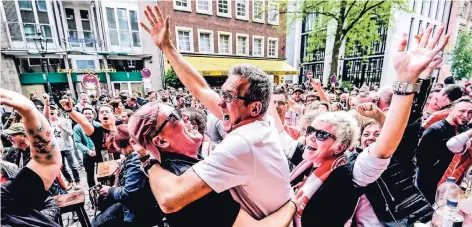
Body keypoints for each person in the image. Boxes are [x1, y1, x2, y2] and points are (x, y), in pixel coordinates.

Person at [278, 25, 450, 226]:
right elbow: (278, 131)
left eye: (322, 135)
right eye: (310, 131)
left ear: (341, 147)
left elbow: (395, 139)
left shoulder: (352, 171)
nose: (311, 137)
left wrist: (407, 81)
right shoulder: (307, 160)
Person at [138, 4, 291, 219]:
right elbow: (200, 88)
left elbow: (170, 200)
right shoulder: (259, 121)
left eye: (228, 97)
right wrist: (167, 48)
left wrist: (147, 160)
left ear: (254, 107)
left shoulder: (241, 143)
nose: (220, 103)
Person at [129, 102, 297, 227]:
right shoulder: (193, 186)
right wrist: (294, 200)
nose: (186, 116)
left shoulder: (164, 171)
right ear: (161, 141)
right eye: (175, 116)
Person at [1, 88, 62, 227]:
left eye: (13, 135)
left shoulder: (3, 200)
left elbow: (45, 162)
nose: (9, 138)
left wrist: (30, 113)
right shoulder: (13, 152)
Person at [92, 125, 158, 227]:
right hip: (139, 204)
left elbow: (129, 193)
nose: (120, 152)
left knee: (97, 224)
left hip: (139, 209)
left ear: (128, 143)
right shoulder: (134, 156)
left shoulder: (135, 158)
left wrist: (109, 190)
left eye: (120, 148)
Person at [417, 97, 472, 204]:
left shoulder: (463, 129)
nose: (466, 115)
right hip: (430, 186)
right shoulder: (434, 130)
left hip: (449, 184)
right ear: (451, 110)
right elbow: (421, 162)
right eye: (462, 111)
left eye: (470, 113)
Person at [44, 103, 81, 190]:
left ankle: (77, 181)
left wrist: (62, 127)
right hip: (56, 149)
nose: (51, 115)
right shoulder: (47, 123)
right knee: (62, 167)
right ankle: (70, 181)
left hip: (67, 147)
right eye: (50, 113)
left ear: (57, 112)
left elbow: (71, 133)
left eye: (53, 113)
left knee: (72, 165)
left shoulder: (64, 121)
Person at [74, 106, 97, 187]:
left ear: (93, 115)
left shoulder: (98, 125)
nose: (88, 115)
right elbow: (77, 142)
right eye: (85, 114)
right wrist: (88, 151)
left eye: (89, 114)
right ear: (82, 115)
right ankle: (92, 192)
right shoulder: (77, 127)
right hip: (88, 153)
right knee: (90, 175)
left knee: (104, 172)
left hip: (99, 152)